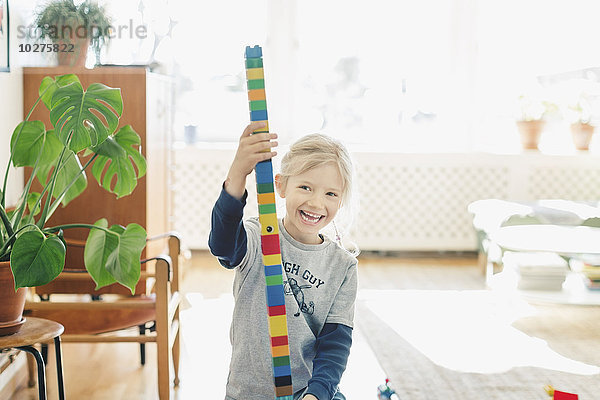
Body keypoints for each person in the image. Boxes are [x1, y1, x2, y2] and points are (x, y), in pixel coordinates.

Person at [209, 121, 358, 400]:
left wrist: (316, 394)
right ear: (281, 186)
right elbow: (222, 245)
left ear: (341, 200)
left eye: (330, 194)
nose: (316, 203)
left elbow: (335, 344)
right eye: (305, 187)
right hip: (247, 393)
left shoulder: (343, 267)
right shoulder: (256, 237)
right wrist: (238, 172)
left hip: (307, 392)